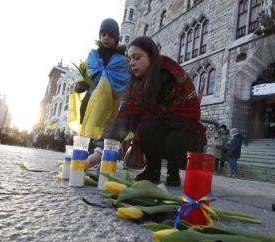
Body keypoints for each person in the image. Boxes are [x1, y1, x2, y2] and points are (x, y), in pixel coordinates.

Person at [87, 36, 206, 186]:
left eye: (137, 58)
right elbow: (123, 118)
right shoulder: (134, 85)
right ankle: (153, 170)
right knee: (149, 127)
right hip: (158, 126)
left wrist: (153, 115)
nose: (132, 63)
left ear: (152, 57)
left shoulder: (170, 77)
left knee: (173, 139)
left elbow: (186, 115)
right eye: (129, 59)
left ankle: (173, 170)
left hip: (184, 128)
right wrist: (98, 152)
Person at [69, 18, 130, 140]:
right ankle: (81, 158)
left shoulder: (122, 60)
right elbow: (85, 72)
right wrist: (80, 84)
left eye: (110, 35)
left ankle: (97, 155)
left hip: (107, 105)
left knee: (100, 133)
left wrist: (105, 79)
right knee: (84, 131)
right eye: (103, 34)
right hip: (88, 99)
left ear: (116, 38)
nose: (106, 38)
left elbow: (123, 81)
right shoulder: (93, 55)